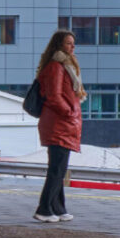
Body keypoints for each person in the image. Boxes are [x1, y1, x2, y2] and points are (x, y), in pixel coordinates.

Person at [33, 29, 85, 224]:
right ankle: (44, 208)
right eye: (68, 43)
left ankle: (58, 207)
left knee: (59, 168)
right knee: (57, 169)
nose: (72, 47)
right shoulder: (56, 66)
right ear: (58, 45)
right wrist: (69, 112)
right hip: (59, 123)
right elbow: (54, 96)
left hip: (61, 123)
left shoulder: (65, 66)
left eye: (73, 43)